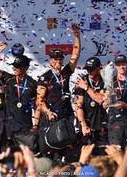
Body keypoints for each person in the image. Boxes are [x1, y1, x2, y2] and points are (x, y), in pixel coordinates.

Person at [36, 24, 81, 157]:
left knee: (67, 151)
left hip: (66, 116)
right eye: (55, 59)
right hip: (52, 117)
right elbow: (40, 100)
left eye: (60, 59)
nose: (58, 61)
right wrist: (48, 112)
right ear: (50, 61)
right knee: (51, 150)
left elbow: (76, 54)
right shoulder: (45, 77)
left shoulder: (66, 73)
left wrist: (77, 36)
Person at [0, 42, 39, 150]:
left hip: (25, 125)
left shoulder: (33, 84)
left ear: (26, 68)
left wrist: (36, 125)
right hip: (9, 125)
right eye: (14, 66)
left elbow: (37, 106)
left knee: (24, 156)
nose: (15, 68)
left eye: (18, 67)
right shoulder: (8, 79)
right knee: (6, 156)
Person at [74, 57, 107, 146]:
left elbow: (102, 100)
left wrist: (86, 88)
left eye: (92, 69)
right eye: (87, 69)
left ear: (98, 69)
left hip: (103, 125)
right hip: (87, 124)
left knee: (103, 156)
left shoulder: (106, 81)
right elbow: (78, 105)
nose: (89, 71)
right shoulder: (81, 82)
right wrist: (83, 125)